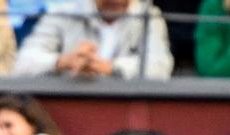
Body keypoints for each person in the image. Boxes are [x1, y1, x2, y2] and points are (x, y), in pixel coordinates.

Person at [12, 0, 174, 79]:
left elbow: (160, 66)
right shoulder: (64, 12)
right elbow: (22, 63)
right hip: (67, 103)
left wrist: (110, 67)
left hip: (124, 108)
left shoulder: (148, 15)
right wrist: (63, 62)